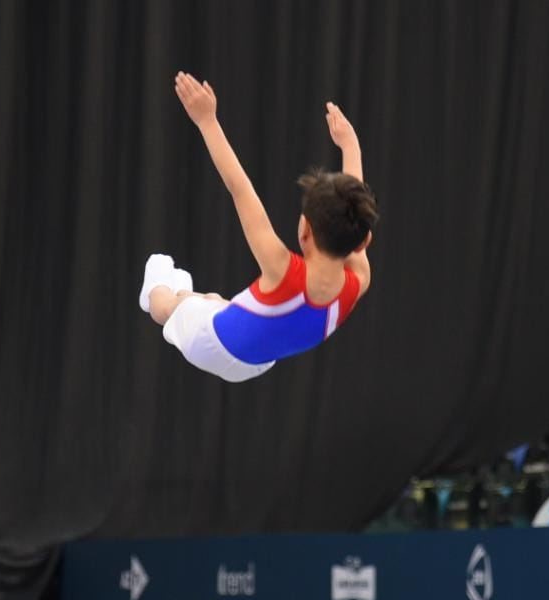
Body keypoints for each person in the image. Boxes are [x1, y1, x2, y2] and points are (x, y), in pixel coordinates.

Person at [138, 71, 379, 382]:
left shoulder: (283, 271)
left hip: (209, 344)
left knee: (169, 306)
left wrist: (207, 121)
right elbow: (355, 213)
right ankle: (195, 296)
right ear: (363, 243)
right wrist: (351, 148)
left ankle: (158, 286)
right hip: (258, 362)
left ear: (304, 232)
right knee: (212, 302)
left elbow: (239, 188)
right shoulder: (359, 279)